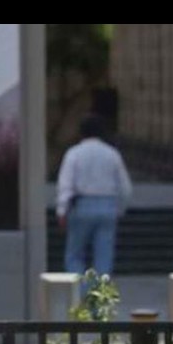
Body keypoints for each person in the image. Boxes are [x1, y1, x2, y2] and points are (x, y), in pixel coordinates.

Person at [56, 113, 133, 276]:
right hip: (108, 205)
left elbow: (65, 184)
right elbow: (125, 187)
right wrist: (120, 209)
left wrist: (62, 210)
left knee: (75, 255)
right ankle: (99, 291)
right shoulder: (112, 154)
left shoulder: (74, 153)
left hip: (81, 205)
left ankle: (79, 288)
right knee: (104, 257)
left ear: (81, 132)